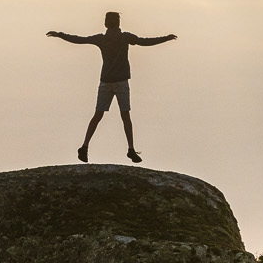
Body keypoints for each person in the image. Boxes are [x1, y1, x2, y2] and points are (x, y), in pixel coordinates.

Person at [46, 11, 177, 164]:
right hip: (121, 82)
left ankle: (84, 146)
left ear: (106, 24)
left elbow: (79, 40)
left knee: (97, 115)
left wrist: (60, 35)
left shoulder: (101, 39)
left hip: (106, 82)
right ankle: (130, 149)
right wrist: (165, 39)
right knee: (125, 116)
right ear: (118, 23)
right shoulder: (125, 37)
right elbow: (144, 41)